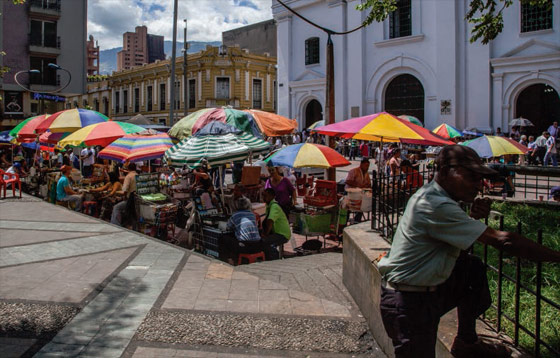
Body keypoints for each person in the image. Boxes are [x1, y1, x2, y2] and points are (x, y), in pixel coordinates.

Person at [378, 145, 560, 358]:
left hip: (423, 295)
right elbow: (504, 241)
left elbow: (454, 246)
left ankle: (467, 340)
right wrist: (556, 257)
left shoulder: (432, 196)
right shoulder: (435, 204)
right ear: (445, 171)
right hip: (408, 303)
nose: (478, 184)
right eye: (471, 176)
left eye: (479, 177)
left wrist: (472, 220)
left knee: (471, 269)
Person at [261, 188, 291, 260]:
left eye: (266, 196)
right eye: (263, 195)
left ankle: (275, 260)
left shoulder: (274, 206)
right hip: (276, 232)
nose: (264, 198)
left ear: (272, 196)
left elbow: (270, 221)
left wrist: (266, 234)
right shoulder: (269, 206)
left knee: (265, 241)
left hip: (282, 234)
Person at [345, 158, 371, 222]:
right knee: (349, 207)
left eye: (368, 166)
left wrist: (367, 187)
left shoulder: (366, 173)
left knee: (363, 204)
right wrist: (357, 185)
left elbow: (368, 183)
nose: (367, 167)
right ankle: (346, 219)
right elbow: (348, 181)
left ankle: (357, 219)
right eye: (366, 166)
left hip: (360, 194)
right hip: (351, 193)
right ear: (361, 164)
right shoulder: (353, 171)